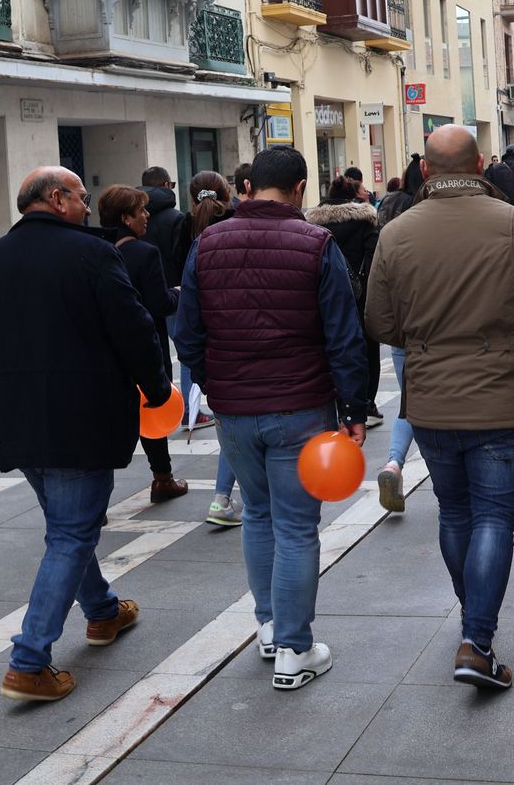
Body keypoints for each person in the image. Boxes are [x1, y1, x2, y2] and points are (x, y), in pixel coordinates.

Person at [0, 167, 170, 703]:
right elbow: (134, 328)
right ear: (56, 198)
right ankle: (29, 661)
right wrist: (157, 388)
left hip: (19, 421)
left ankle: (102, 611)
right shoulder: (94, 254)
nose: (88, 206)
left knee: (68, 526)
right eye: (81, 196)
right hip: (82, 419)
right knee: (71, 533)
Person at [366, 125, 514, 691]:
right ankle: (477, 641)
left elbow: (380, 322)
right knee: (495, 517)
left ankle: (473, 621)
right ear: (480, 165)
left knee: (454, 512)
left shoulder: (396, 232)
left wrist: (425, 338)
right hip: (500, 393)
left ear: (426, 170)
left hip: (431, 396)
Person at [174, 147, 371, 691]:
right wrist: (353, 408)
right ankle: (294, 647)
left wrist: (216, 382)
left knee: (258, 516)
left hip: (234, 409)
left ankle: (268, 628)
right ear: (300, 188)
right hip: (301, 406)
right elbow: (344, 336)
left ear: (247, 187)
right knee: (297, 526)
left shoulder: (207, 243)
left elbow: (187, 334)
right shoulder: (316, 243)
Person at [97, 185, 187, 504]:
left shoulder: (96, 251)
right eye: (141, 211)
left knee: (107, 422)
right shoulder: (144, 253)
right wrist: (178, 293)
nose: (146, 216)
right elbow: (159, 303)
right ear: (126, 218)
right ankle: (162, 478)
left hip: (106, 349)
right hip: (144, 343)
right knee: (150, 409)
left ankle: (96, 500)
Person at [183, 170, 241, 525]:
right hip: (256, 356)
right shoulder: (241, 226)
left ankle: (221, 498)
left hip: (218, 358)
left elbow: (187, 330)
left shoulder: (192, 234)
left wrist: (204, 375)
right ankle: (222, 498)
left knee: (230, 430)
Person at [307, 176, 383, 428]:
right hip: (361, 296)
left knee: (332, 345)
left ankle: (339, 401)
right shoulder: (365, 220)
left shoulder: (313, 223)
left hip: (326, 296)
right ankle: (366, 402)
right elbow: (374, 256)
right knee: (367, 349)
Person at [374, 154, 425, 511]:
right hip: (431, 325)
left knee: (409, 401)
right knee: (440, 404)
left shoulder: (389, 207)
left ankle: (393, 462)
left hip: (399, 326)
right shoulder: (426, 217)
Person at [138, 165, 189, 287]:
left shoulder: (130, 216)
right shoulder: (177, 218)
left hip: (138, 287)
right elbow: (183, 260)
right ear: (167, 185)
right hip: (172, 288)